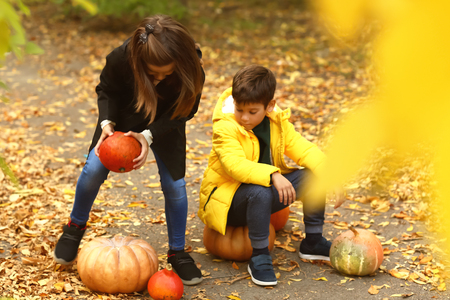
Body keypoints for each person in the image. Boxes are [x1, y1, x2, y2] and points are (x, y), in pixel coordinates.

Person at [53, 15, 205, 286]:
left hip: (167, 123)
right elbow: (106, 90)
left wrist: (149, 135)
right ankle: (74, 227)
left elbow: (187, 110)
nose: (159, 77)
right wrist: (107, 122)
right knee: (92, 170)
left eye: (166, 73)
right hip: (122, 118)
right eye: (153, 72)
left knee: (175, 186)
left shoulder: (192, 68)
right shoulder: (121, 58)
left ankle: (178, 252)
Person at [198, 65, 345, 286]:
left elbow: (303, 148)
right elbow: (234, 166)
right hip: (229, 203)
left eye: (252, 111)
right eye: (240, 110)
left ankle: (313, 242)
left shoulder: (277, 123)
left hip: (263, 195)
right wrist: (274, 174)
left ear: (269, 106)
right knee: (259, 192)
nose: (244, 118)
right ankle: (259, 255)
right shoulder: (226, 127)